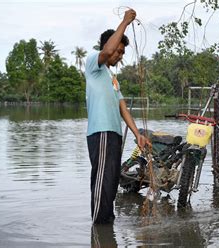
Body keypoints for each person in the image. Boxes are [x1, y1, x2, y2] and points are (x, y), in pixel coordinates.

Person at [85, 8, 149, 224]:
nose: (119, 55)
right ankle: (99, 231)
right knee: (102, 183)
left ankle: (107, 228)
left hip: (113, 135)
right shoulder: (94, 63)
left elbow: (123, 108)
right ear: (107, 46)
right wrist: (125, 22)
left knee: (111, 183)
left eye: (122, 52)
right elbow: (107, 51)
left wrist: (137, 133)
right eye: (118, 51)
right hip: (101, 132)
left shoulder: (112, 78)